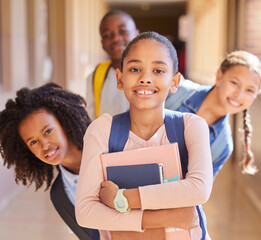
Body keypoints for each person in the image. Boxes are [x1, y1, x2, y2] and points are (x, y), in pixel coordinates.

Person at [76, 32, 213, 240]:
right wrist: (165, 217)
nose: (145, 78)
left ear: (175, 81)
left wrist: (121, 199)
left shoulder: (191, 127)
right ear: (120, 78)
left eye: (158, 70)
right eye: (135, 69)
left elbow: (199, 190)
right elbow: (86, 213)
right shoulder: (102, 131)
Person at [0, 83, 92, 239]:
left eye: (48, 131)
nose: (44, 145)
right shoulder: (59, 196)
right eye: (33, 142)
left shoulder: (112, 150)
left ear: (64, 124)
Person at [165, 50, 261, 177]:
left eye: (249, 90)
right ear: (219, 77)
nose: (239, 95)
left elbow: (196, 192)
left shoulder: (222, 146)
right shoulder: (175, 91)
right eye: (234, 83)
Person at [86, 9, 139, 120]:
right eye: (107, 35)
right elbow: (90, 120)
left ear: (136, 35)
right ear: (102, 43)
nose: (115, 39)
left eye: (123, 31)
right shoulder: (95, 77)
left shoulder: (153, 73)